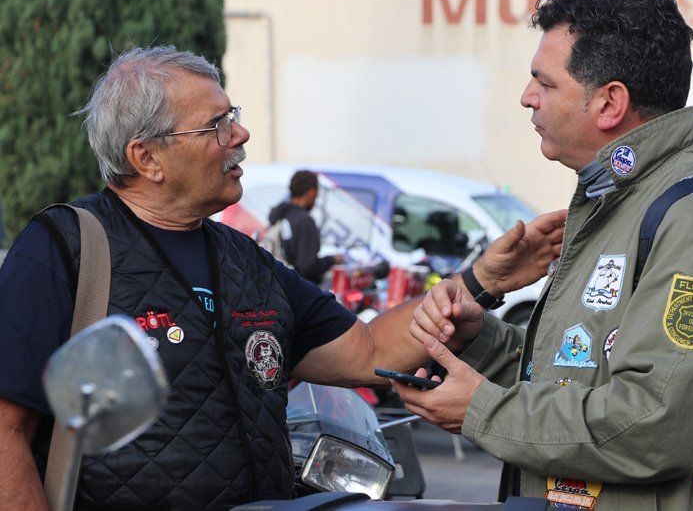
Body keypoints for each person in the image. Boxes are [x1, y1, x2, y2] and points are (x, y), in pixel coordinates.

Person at [0, 46, 566, 510]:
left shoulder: (244, 260)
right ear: (147, 158)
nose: (240, 135)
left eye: (235, 116)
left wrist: (480, 281)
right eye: (218, 125)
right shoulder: (63, 249)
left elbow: (369, 349)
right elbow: (6, 433)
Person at [395, 0, 693, 511]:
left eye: (544, 83)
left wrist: (481, 410)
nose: (526, 97)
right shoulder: (621, 203)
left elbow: (655, 424)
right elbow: (572, 379)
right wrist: (479, 339)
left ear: (609, 104)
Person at [267, 170, 342, 284]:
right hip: (297, 292)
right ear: (312, 192)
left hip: (278, 286)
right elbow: (307, 267)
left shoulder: (281, 214)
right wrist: (332, 260)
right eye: (317, 192)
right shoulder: (305, 221)